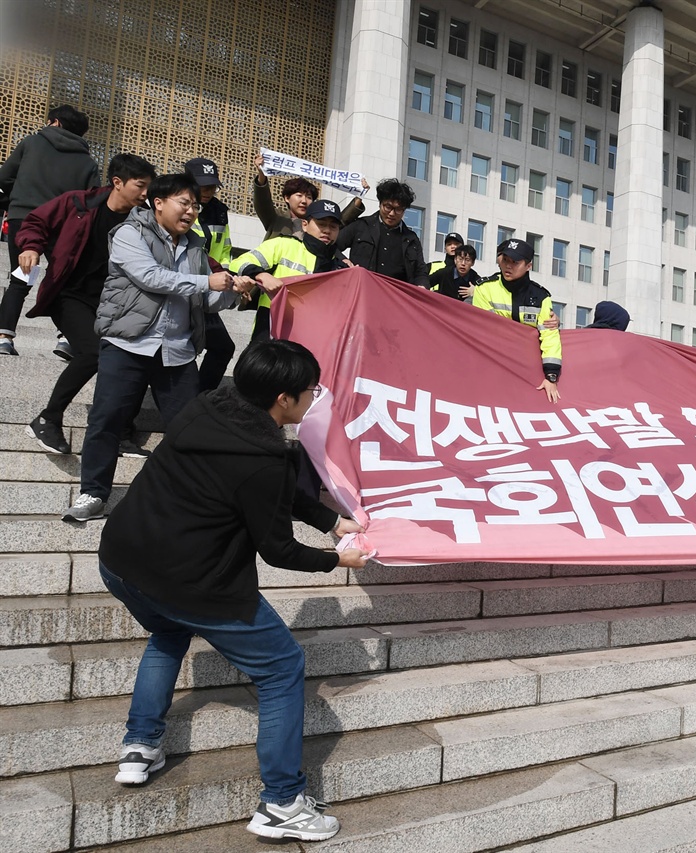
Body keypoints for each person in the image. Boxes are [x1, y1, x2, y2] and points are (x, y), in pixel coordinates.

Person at [97, 339, 368, 841]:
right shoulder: (262, 457)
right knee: (283, 666)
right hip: (192, 580)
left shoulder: (208, 407)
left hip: (122, 560)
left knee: (168, 635)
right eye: (311, 390)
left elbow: (271, 488)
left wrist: (332, 521)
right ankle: (282, 802)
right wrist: (337, 559)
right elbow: (279, 550)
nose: (315, 398)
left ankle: (140, 745)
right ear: (283, 399)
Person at [63, 173, 252, 522]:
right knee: (106, 420)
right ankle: (93, 492)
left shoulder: (196, 246)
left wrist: (231, 292)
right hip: (127, 344)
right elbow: (150, 277)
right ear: (159, 202)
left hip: (176, 352)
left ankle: (191, 496)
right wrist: (205, 280)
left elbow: (207, 300)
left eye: (196, 205)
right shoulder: (128, 234)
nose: (192, 211)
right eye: (185, 202)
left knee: (190, 428)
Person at [17, 153, 156, 455]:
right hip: (69, 295)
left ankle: (120, 432)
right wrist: (30, 246)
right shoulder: (79, 203)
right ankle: (48, 419)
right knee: (93, 352)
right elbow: (36, 221)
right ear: (117, 182)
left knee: (130, 361)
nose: (146, 193)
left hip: (113, 305)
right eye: (140, 185)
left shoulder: (144, 219)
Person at [0, 105, 101, 356]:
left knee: (20, 279)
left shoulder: (31, 143)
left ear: (54, 122)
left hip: (23, 219)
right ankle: (67, 339)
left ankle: (4, 338)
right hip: (62, 226)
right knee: (64, 281)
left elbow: (4, 178)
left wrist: (20, 197)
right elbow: (91, 201)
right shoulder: (87, 161)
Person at [230, 199, 347, 340]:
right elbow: (239, 262)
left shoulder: (342, 267)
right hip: (270, 333)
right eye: (321, 224)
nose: (327, 230)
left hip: (314, 339)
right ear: (305, 224)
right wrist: (261, 275)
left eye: (333, 227)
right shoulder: (283, 245)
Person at [472, 238, 562, 403]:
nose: (508, 266)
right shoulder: (484, 289)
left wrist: (551, 376)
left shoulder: (541, 297)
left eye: (515, 262)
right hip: (489, 366)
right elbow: (483, 330)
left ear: (529, 266)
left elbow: (549, 337)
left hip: (526, 370)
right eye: (505, 260)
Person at [184, 157, 237, 392]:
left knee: (223, 347)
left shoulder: (219, 212)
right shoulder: (179, 207)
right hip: (182, 287)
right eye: (202, 185)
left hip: (210, 289)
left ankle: (200, 396)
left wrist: (227, 278)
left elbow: (224, 250)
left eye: (212, 186)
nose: (208, 191)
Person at [334, 179, 429, 287]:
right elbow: (332, 245)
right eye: (388, 207)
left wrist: (422, 286)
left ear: (404, 210)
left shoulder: (411, 239)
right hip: (361, 289)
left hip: (395, 297)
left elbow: (420, 271)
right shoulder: (362, 226)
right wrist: (343, 260)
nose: (392, 213)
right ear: (380, 204)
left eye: (398, 209)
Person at [251, 153, 363, 240]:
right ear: (286, 198)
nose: (304, 201)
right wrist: (261, 174)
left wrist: (359, 194)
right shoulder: (277, 217)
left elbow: (341, 220)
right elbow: (262, 202)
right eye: (299, 195)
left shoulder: (315, 222)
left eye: (309, 197)